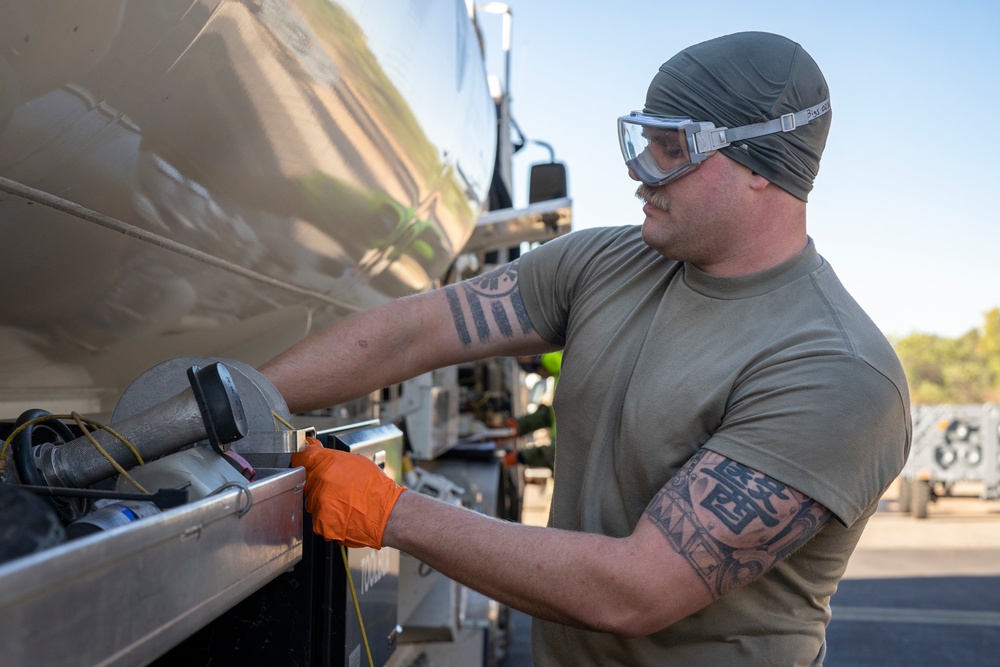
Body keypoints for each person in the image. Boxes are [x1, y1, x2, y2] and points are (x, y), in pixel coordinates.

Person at [260, 31, 911, 666]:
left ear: (762, 169)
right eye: (639, 141)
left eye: (670, 149)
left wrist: (390, 511)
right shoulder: (612, 260)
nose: (638, 173)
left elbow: (634, 590)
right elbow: (417, 329)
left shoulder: (837, 374)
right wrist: (242, 394)